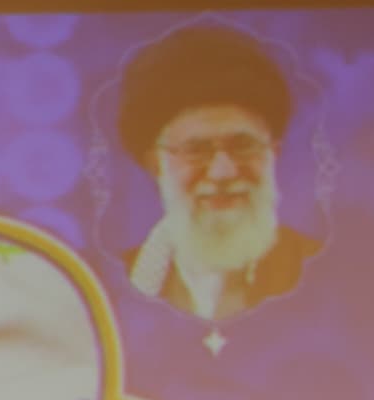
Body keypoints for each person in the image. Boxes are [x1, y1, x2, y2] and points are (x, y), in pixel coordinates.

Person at [117, 24, 324, 322]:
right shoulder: (116, 286)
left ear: (273, 154)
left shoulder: (324, 273)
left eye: (243, 146)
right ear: (156, 165)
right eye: (196, 150)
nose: (222, 172)